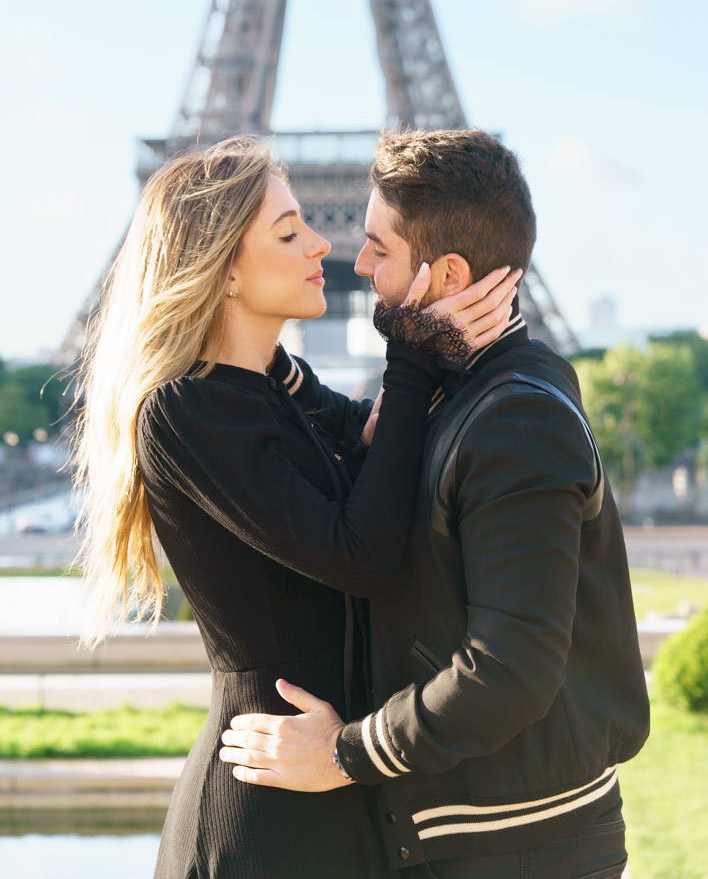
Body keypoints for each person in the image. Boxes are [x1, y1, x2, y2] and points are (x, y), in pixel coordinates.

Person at [72, 135, 520, 879]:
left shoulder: (275, 389)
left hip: (329, 785)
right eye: (287, 233)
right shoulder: (186, 410)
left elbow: (372, 446)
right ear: (224, 273)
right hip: (269, 816)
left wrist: (428, 357)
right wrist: (411, 354)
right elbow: (362, 555)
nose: (323, 243)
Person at [219, 129, 651, 879]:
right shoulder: (467, 391)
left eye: (379, 249)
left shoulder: (515, 420)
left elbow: (509, 669)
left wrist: (345, 754)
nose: (358, 264)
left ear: (447, 273)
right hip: (484, 831)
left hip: (516, 848)